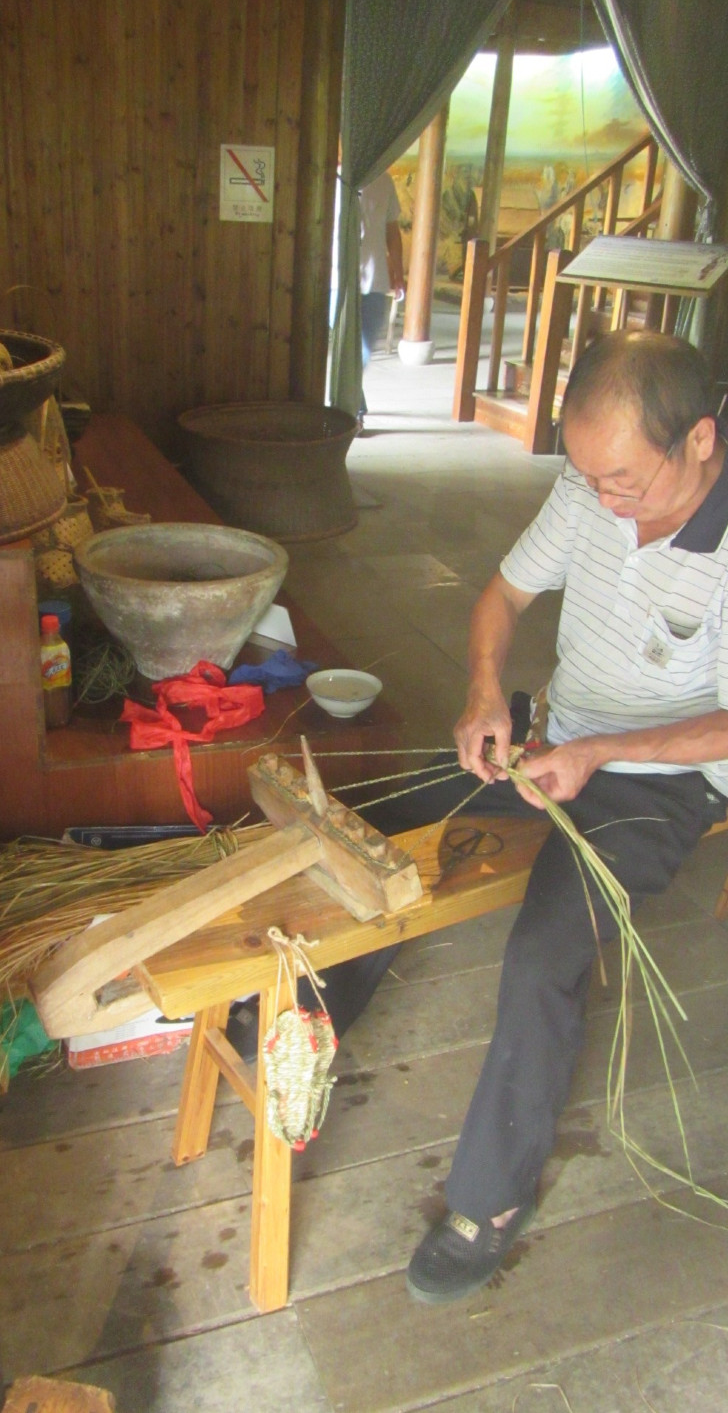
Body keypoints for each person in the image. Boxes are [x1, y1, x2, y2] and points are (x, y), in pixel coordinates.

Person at [366, 329, 728, 1304]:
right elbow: (504, 591)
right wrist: (486, 692)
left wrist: (599, 754)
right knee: (381, 815)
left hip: (660, 779)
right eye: (586, 476)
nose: (602, 500)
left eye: (623, 480)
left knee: (541, 952)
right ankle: (310, 1012)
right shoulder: (588, 488)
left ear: (698, 439)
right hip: (556, 734)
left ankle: (487, 1201)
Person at [358, 171, 404, 421]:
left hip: (375, 278)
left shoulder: (384, 181)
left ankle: (352, 403)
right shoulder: (333, 177)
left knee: (364, 348)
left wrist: (398, 272)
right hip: (335, 277)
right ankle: (353, 409)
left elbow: (392, 231)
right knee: (345, 346)